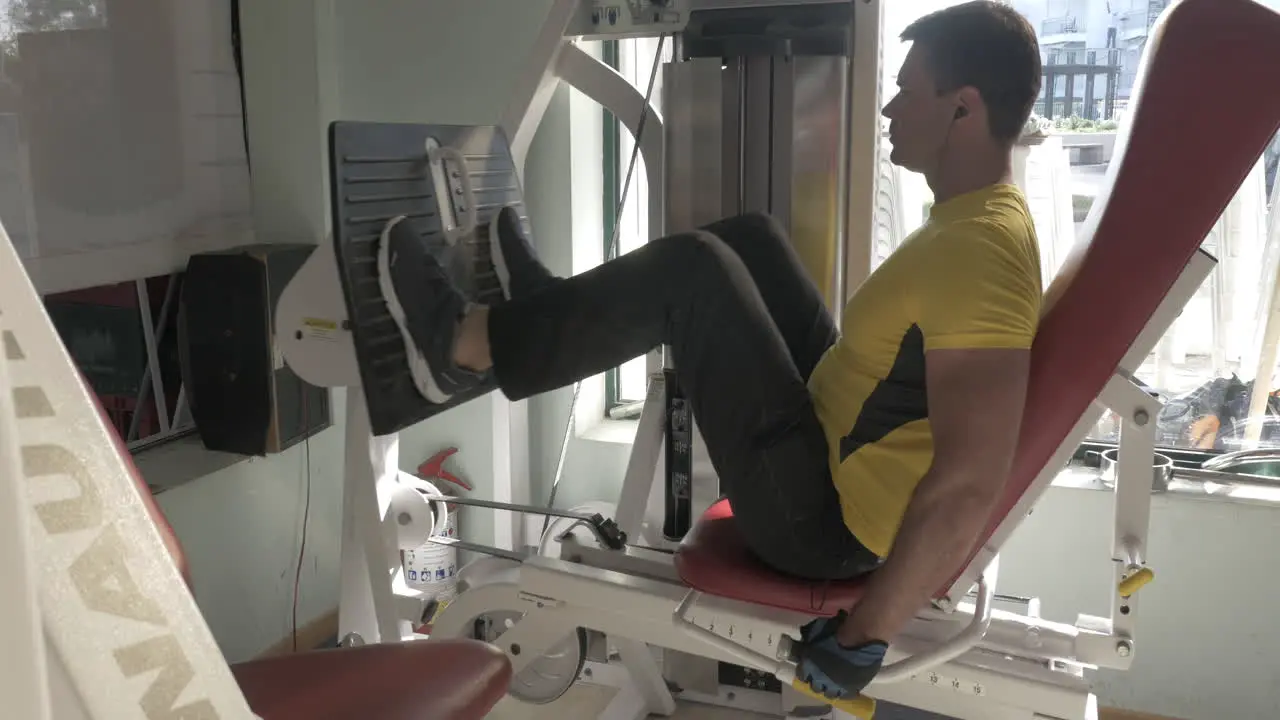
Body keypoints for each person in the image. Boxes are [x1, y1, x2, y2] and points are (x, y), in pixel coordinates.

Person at [380, 0, 1043, 703]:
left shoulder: (982, 252)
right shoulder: (973, 220)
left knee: (694, 273)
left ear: (963, 109)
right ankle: (539, 314)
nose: (888, 109)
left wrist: (864, 635)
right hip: (832, 438)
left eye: (908, 92)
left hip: (820, 525)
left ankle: (466, 343)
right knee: (752, 239)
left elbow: (972, 476)